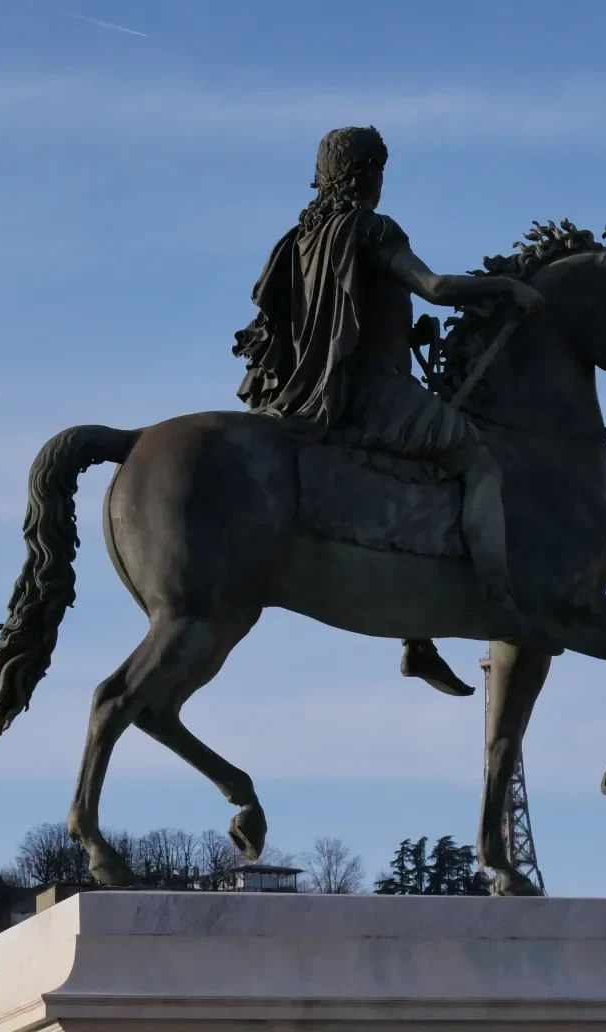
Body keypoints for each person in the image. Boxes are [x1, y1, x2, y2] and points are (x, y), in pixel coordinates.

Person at [232, 125, 541, 697]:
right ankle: (499, 604)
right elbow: (435, 286)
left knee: (412, 474)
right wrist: (506, 287)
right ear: (364, 174)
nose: (380, 182)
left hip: (310, 393)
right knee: (477, 462)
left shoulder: (296, 241)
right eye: (378, 170)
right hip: (370, 393)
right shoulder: (372, 229)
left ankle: (417, 637)